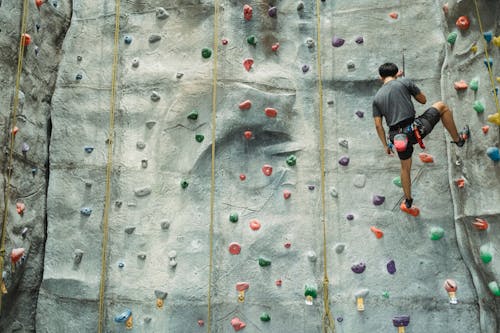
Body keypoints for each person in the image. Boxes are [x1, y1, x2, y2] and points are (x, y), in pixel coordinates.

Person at [372, 62, 468, 216]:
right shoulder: (404, 82)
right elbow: (423, 100)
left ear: (380, 78)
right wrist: (407, 85)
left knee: (405, 167)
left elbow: (378, 126)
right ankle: (458, 140)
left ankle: (408, 199)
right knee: (442, 106)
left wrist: (385, 145)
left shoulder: (377, 98)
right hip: (415, 129)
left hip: (397, 137)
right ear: (396, 73)